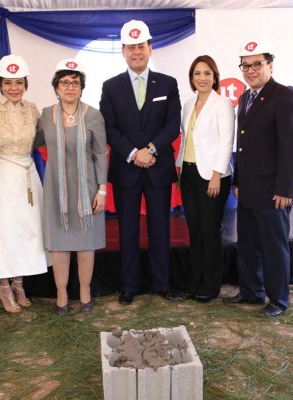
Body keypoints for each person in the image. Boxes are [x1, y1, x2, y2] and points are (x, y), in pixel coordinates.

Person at [99, 20, 182, 305]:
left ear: (151, 48)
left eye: (141, 46)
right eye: (131, 47)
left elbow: (173, 124)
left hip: (157, 169)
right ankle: (128, 286)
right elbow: (109, 128)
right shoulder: (110, 87)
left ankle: (162, 283)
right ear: (122, 51)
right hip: (126, 169)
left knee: (161, 228)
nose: (136, 52)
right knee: (128, 230)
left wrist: (152, 149)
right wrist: (135, 153)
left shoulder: (168, 84)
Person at [223, 37, 293, 317]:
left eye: (256, 64)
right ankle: (251, 292)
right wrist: (236, 181)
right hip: (247, 190)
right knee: (248, 244)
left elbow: (292, 147)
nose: (250, 70)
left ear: (270, 64)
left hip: (273, 191)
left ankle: (278, 300)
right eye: (245, 66)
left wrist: (285, 188)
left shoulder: (284, 96)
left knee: (273, 248)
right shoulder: (245, 97)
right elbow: (242, 146)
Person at [0, 55, 49, 313]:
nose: (13, 88)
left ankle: (19, 283)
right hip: (0, 174)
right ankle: (3, 287)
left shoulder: (33, 109)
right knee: (1, 231)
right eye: (7, 82)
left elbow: (40, 138)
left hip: (27, 174)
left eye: (18, 82)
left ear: (26, 83)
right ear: (0, 84)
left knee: (26, 230)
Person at [35, 59, 107, 315]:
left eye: (75, 83)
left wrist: (102, 190)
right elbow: (30, 142)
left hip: (87, 189)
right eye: (64, 82)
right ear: (56, 87)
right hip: (56, 189)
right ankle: (62, 294)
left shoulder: (93, 115)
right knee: (59, 243)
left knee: (86, 242)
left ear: (81, 87)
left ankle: (85, 292)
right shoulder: (45, 115)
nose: (70, 87)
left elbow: (100, 154)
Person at [175, 55, 235, 302]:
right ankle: (194, 282)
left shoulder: (223, 105)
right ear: (191, 78)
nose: (202, 78)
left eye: (207, 73)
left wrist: (216, 175)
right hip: (188, 174)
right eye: (197, 73)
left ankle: (210, 286)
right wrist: (179, 169)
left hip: (212, 176)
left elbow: (226, 143)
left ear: (215, 77)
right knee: (195, 231)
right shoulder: (188, 104)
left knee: (210, 232)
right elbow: (185, 140)